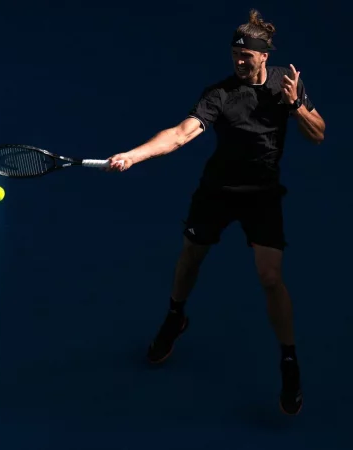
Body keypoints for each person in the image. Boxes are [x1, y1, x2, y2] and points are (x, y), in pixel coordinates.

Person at [104, 9, 326, 416]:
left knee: (270, 277)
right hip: (217, 192)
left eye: (247, 55)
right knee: (191, 257)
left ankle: (289, 360)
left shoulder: (285, 84)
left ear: (264, 56)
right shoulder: (219, 95)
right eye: (234, 54)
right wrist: (135, 155)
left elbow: (318, 134)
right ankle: (176, 316)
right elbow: (180, 134)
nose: (239, 61)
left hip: (262, 195)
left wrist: (295, 106)